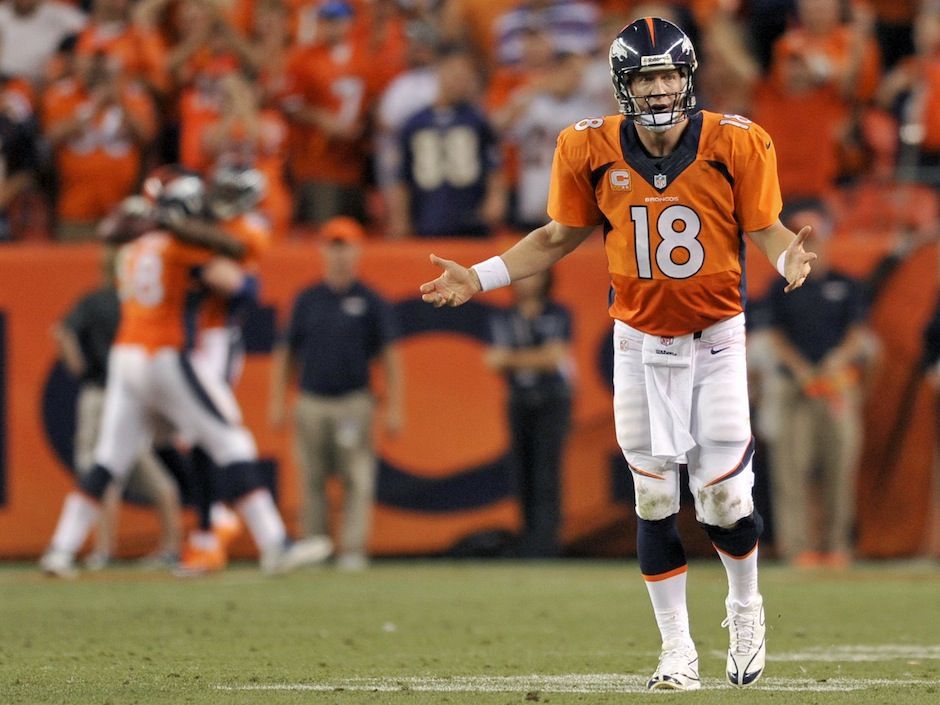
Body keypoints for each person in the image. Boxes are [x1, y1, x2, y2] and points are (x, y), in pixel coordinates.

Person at [419, 17, 816, 690]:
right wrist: (479, 275)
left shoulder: (736, 141)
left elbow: (767, 229)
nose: (659, 87)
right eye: (646, 76)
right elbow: (553, 238)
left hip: (716, 337)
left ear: (686, 78)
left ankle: (745, 606)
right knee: (654, 496)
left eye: (668, 74)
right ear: (622, 84)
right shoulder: (588, 146)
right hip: (638, 341)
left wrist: (788, 258)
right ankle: (676, 650)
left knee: (722, 500)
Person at [39, 172, 330, 578]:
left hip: (126, 356)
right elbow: (236, 285)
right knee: (230, 440)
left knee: (109, 459)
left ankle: (60, 549)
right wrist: (233, 269)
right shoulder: (181, 247)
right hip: (164, 355)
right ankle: (274, 542)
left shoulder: (135, 248)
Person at [269, 216, 404, 571]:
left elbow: (390, 356)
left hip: (353, 401)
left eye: (345, 246)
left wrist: (394, 407)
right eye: (333, 246)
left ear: (358, 251)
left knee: (356, 478)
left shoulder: (370, 300)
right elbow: (286, 353)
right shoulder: (308, 299)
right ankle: (316, 548)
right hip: (312, 400)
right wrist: (278, 402)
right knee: (311, 479)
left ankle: (352, 550)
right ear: (323, 251)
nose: (340, 255)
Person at [54, 246, 183, 569]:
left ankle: (101, 550)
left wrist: (79, 368)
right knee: (157, 481)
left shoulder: (96, 301)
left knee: (100, 473)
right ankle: (171, 546)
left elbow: (62, 332)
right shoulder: (137, 305)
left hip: (101, 394)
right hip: (135, 395)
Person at [763, 205, 877, 568]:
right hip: (795, 386)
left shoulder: (846, 284)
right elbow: (772, 336)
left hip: (834, 386)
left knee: (840, 466)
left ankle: (836, 545)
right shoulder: (780, 286)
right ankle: (797, 548)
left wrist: (835, 362)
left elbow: (858, 337)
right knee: (790, 469)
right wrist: (800, 369)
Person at [484, 269, 573, 558]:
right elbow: (492, 360)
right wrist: (534, 359)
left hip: (552, 399)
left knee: (547, 470)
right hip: (519, 399)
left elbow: (553, 359)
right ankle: (529, 541)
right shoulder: (504, 316)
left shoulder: (558, 313)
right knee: (522, 470)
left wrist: (512, 359)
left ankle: (547, 543)